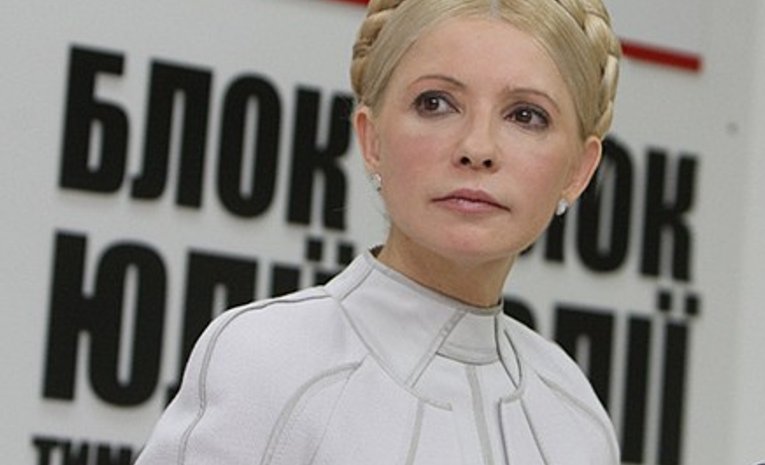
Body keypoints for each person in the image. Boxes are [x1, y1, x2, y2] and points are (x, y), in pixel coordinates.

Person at [134, 0, 622, 463]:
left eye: (526, 115)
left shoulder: (573, 411)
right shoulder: (269, 360)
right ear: (371, 139)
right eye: (436, 103)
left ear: (579, 170)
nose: (477, 148)